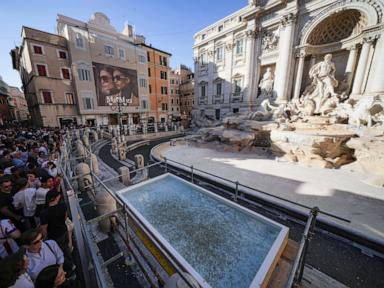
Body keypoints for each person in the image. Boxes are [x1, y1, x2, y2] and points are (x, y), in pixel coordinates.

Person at [39, 189, 74, 276]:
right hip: (64, 231)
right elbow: (65, 218)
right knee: (66, 249)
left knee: (60, 253)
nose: (59, 197)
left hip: (55, 236)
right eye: (58, 196)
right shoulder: (63, 206)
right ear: (54, 198)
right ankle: (71, 263)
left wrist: (45, 239)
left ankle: (70, 267)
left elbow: (44, 229)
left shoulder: (44, 213)